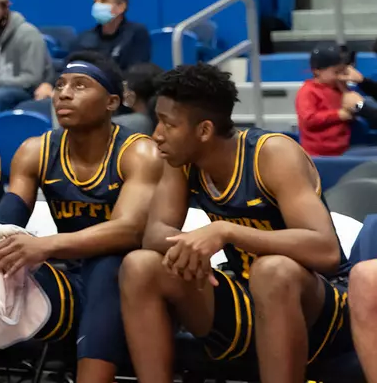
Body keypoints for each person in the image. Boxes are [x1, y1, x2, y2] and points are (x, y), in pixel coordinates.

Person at [0, 53, 162, 383]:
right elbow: (6, 223)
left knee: (109, 264)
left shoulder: (139, 152)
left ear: (112, 102)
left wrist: (45, 245)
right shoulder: (35, 150)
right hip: (69, 282)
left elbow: (128, 231)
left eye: (80, 86)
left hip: (132, 290)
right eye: (59, 86)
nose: (64, 94)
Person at [120, 64, 351, 383]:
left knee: (272, 271)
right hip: (245, 297)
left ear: (203, 130)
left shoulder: (271, 154)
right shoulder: (181, 160)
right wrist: (191, 251)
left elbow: (326, 251)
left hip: (320, 308)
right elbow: (155, 235)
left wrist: (226, 230)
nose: (156, 134)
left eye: (168, 124)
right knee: (140, 264)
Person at [296, 45, 359, 157]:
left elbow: (355, 108)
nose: (339, 76)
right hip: (318, 153)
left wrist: (344, 89)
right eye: (336, 72)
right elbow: (309, 119)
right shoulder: (308, 91)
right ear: (317, 71)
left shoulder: (339, 88)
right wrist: (338, 115)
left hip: (343, 149)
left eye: (342, 72)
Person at [75, 0, 152, 68]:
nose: (97, 6)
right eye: (95, 2)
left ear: (121, 6)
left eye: (103, 1)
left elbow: (137, 70)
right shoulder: (85, 37)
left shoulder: (136, 33)